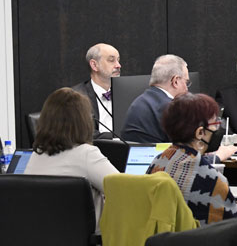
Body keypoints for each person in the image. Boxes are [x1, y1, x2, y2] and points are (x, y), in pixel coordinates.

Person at [147, 93, 237, 226]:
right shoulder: (211, 179)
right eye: (215, 124)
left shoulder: (157, 163)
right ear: (200, 133)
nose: (217, 129)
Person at [26, 87, 118, 226]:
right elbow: (124, 189)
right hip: (90, 245)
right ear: (84, 122)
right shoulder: (86, 154)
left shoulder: (35, 156)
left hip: (42, 243)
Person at [121, 55, 191, 144]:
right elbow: (187, 148)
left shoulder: (139, 101)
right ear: (175, 81)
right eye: (186, 82)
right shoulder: (172, 109)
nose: (187, 89)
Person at [69, 42, 121, 138]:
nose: (118, 65)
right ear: (94, 65)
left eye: (118, 60)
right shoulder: (76, 96)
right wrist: (121, 137)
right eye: (111, 60)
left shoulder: (125, 92)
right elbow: (85, 135)